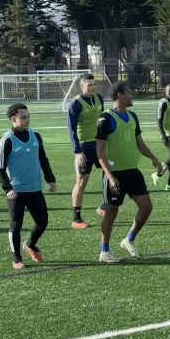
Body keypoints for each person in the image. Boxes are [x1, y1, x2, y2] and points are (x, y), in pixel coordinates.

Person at [95, 83, 165, 263]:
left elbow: (139, 143)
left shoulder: (133, 116)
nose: (132, 96)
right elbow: (100, 152)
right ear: (120, 95)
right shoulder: (105, 119)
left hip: (133, 172)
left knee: (147, 207)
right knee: (111, 212)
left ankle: (129, 239)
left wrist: (154, 158)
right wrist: (110, 177)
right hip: (115, 175)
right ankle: (105, 252)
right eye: (129, 93)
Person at [0, 103, 56, 270]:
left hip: (35, 188)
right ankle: (16, 258)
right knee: (16, 225)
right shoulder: (6, 140)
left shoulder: (36, 136)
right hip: (16, 191)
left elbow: (43, 159)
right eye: (23, 117)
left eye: (28, 116)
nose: (27, 119)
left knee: (42, 222)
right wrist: (8, 189)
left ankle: (30, 244)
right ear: (13, 119)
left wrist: (50, 179)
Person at [67, 73, 105, 229]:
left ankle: (104, 207)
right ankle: (76, 219)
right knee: (82, 182)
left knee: (111, 174)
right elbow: (71, 128)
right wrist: (77, 151)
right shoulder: (76, 104)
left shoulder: (99, 99)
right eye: (89, 85)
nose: (92, 87)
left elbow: (102, 119)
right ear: (82, 86)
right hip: (84, 147)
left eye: (94, 84)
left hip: (99, 145)